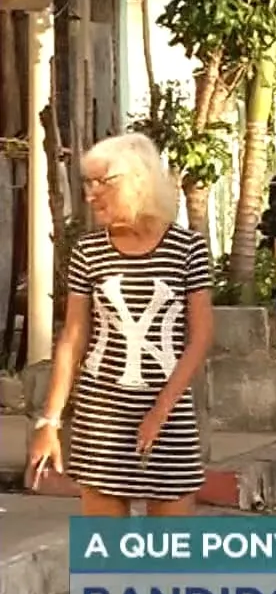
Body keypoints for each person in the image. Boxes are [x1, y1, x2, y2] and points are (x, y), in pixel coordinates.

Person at [28, 133, 215, 518]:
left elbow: (200, 338)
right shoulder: (88, 251)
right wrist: (50, 420)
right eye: (88, 183)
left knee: (172, 562)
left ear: (137, 181)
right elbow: (73, 339)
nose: (91, 194)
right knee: (106, 559)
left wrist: (160, 412)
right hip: (101, 418)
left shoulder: (187, 249)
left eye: (102, 183)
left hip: (169, 418)